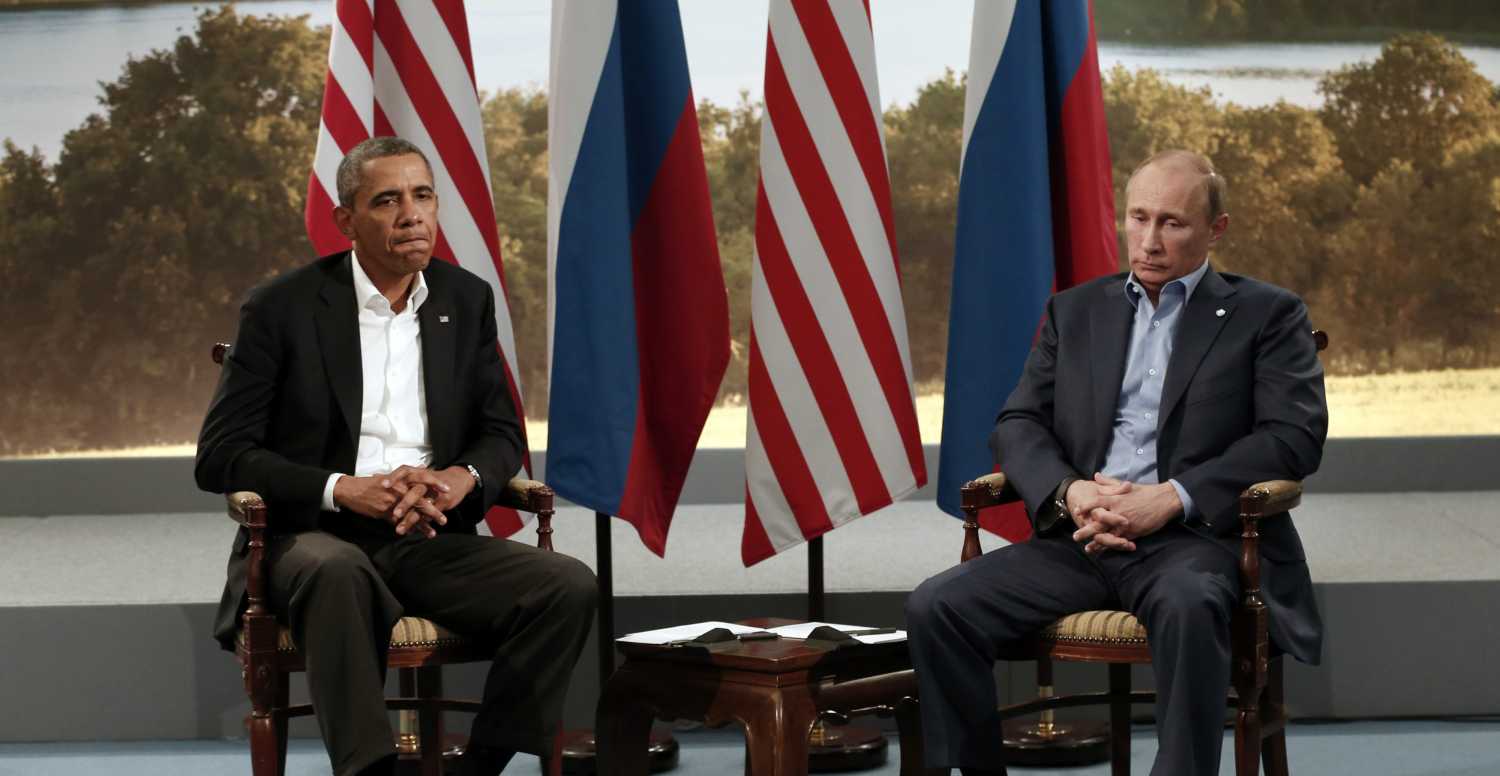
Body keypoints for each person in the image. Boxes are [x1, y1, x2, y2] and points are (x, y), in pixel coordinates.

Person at [906, 149, 1328, 776]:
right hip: (1080, 535)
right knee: (936, 606)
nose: (1150, 241)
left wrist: (1170, 496)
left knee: (1191, 607)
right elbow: (1018, 423)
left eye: (1172, 223)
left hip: (1194, 540)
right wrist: (1072, 491)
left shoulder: (1266, 314)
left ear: (1217, 229)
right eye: (1138, 218)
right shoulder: (1075, 312)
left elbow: (1292, 436)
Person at [196, 136, 596, 776]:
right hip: (313, 537)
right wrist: (340, 487)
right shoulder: (282, 308)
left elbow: (500, 435)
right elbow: (220, 456)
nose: (412, 215)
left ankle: (482, 764)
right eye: (387, 200)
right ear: (347, 221)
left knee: (566, 585)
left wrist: (455, 480)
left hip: (426, 536)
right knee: (337, 572)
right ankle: (371, 770)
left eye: (423, 195)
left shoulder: (464, 300)